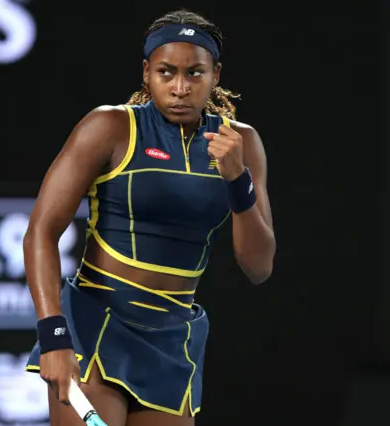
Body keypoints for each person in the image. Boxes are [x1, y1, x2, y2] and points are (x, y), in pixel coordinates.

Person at [23, 9, 276, 426]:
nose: (179, 87)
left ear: (215, 74)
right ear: (146, 73)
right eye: (166, 72)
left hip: (174, 340)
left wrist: (237, 179)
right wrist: (53, 335)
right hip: (97, 328)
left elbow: (259, 266)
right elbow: (40, 233)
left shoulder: (241, 142)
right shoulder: (109, 126)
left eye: (194, 73)